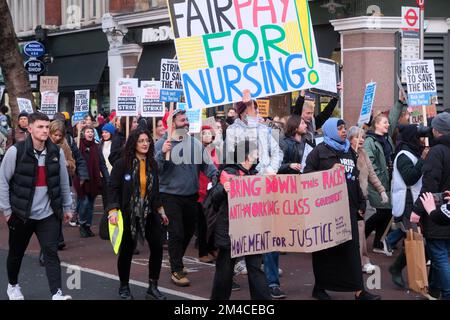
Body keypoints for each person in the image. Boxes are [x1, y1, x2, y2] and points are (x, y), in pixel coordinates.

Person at [304, 118, 380, 300]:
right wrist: (328, 172)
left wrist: (361, 203)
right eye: (339, 129)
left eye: (344, 128)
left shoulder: (349, 151)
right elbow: (306, 177)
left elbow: (354, 178)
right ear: (330, 131)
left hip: (349, 209)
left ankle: (359, 290)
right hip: (326, 211)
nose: (343, 131)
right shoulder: (318, 152)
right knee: (325, 251)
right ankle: (320, 288)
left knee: (352, 250)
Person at [0, 112, 73, 300]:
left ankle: (57, 293)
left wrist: (67, 207)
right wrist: (7, 211)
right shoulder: (15, 152)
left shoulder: (56, 152)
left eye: (47, 127)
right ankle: (13, 286)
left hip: (48, 214)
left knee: (51, 253)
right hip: (21, 214)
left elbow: (63, 182)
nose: (45, 130)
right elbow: (3, 181)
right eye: (40, 127)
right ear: (30, 128)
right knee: (16, 254)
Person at [155, 109, 218, 286]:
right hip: (169, 196)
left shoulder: (195, 144)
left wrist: (216, 176)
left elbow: (208, 166)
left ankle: (176, 259)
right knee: (176, 232)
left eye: (187, 120)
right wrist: (162, 153)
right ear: (172, 123)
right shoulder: (162, 143)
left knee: (189, 232)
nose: (186, 123)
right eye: (182, 120)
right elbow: (155, 170)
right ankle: (176, 269)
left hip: (191, 195)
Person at [107, 128, 169, 300]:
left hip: (149, 211)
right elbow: (113, 188)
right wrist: (113, 210)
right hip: (128, 213)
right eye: (141, 141)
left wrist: (161, 211)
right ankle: (124, 287)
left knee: (157, 247)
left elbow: (155, 191)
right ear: (133, 143)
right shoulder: (122, 164)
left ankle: (153, 287)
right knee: (126, 250)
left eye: (147, 141)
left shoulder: (152, 164)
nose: (145, 144)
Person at [210, 140, 271, 300]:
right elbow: (214, 197)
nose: (258, 155)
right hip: (229, 230)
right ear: (247, 155)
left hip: (251, 230)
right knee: (225, 271)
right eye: (256, 152)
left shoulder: (255, 174)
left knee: (255, 268)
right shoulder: (228, 172)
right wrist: (224, 189)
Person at [411, 112, 450, 300]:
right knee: (440, 253)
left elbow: (430, 185)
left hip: (437, 210)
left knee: (439, 253)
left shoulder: (437, 152)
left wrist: (418, 209)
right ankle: (434, 290)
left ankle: (447, 292)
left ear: (436, 131)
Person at [388, 124, 428, 288]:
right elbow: (410, 177)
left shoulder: (413, 153)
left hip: (416, 201)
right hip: (407, 203)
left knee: (417, 241)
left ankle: (399, 269)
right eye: (419, 137)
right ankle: (397, 269)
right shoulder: (403, 155)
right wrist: (423, 160)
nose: (421, 141)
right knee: (417, 241)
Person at [347, 126, 389, 275]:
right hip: (347, 198)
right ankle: (350, 262)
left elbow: (372, 174)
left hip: (361, 199)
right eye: (358, 137)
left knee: (360, 229)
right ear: (350, 139)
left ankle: (363, 261)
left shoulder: (364, 154)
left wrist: (382, 191)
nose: (362, 140)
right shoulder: (345, 154)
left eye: (363, 137)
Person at [364, 98, 403, 255]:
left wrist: (400, 102)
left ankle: (378, 243)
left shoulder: (386, 138)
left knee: (386, 212)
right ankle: (363, 237)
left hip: (388, 181)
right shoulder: (369, 141)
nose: (388, 125)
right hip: (377, 183)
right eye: (384, 123)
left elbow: (393, 118)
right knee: (383, 212)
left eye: (387, 123)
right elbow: (369, 163)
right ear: (377, 125)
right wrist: (379, 179)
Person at [225, 90, 282, 175]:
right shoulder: (232, 130)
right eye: (251, 108)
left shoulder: (263, 129)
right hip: (245, 180)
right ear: (242, 112)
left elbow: (277, 152)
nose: (256, 111)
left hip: (266, 178)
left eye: (255, 108)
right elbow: (230, 157)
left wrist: (272, 169)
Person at [73, 126, 109, 237]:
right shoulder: (78, 145)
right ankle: (82, 224)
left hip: (94, 179)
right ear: (83, 134)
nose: (90, 134)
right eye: (88, 131)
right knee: (84, 202)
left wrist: (107, 178)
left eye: (92, 132)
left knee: (90, 204)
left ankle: (88, 226)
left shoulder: (97, 147)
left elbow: (102, 164)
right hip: (82, 179)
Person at [197, 125, 219, 263]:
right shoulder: (195, 149)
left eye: (209, 133)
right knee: (202, 223)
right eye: (204, 133)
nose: (207, 135)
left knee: (214, 221)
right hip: (200, 190)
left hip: (213, 189)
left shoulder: (216, 150)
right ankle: (203, 251)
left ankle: (212, 248)